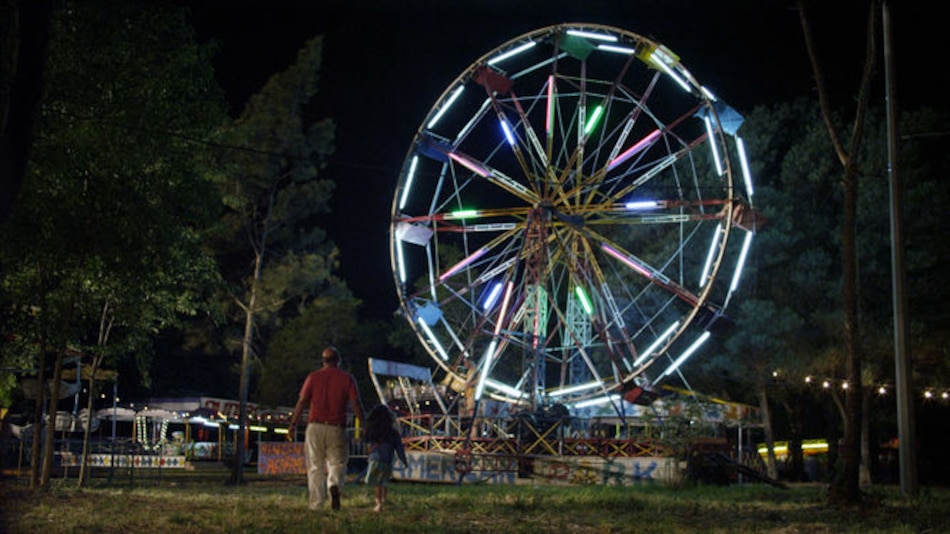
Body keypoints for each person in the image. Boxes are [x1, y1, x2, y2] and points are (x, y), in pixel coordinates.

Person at [289, 346, 364, 511]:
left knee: (315, 466)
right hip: (336, 427)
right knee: (338, 462)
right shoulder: (347, 379)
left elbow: (302, 401)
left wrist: (293, 424)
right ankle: (334, 485)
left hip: (314, 426)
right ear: (338, 360)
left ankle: (316, 504)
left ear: (323, 360)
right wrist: (364, 424)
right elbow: (356, 404)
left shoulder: (313, 377)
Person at [363, 404, 407, 512]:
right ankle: (383, 501)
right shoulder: (393, 433)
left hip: (374, 459)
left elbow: (366, 441)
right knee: (384, 481)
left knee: (377, 483)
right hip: (387, 461)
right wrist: (404, 460)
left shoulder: (373, 430)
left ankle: (378, 502)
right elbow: (399, 448)